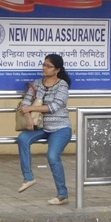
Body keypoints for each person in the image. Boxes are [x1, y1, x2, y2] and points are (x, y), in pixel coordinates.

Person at [17, 54, 73, 205]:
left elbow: (54, 106)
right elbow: (25, 104)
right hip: (41, 127)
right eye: (44, 65)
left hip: (60, 128)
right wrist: (28, 117)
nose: (45, 68)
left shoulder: (62, 85)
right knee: (22, 138)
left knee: (52, 156)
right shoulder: (37, 83)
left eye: (49, 66)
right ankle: (28, 178)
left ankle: (62, 194)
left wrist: (31, 108)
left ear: (57, 70)